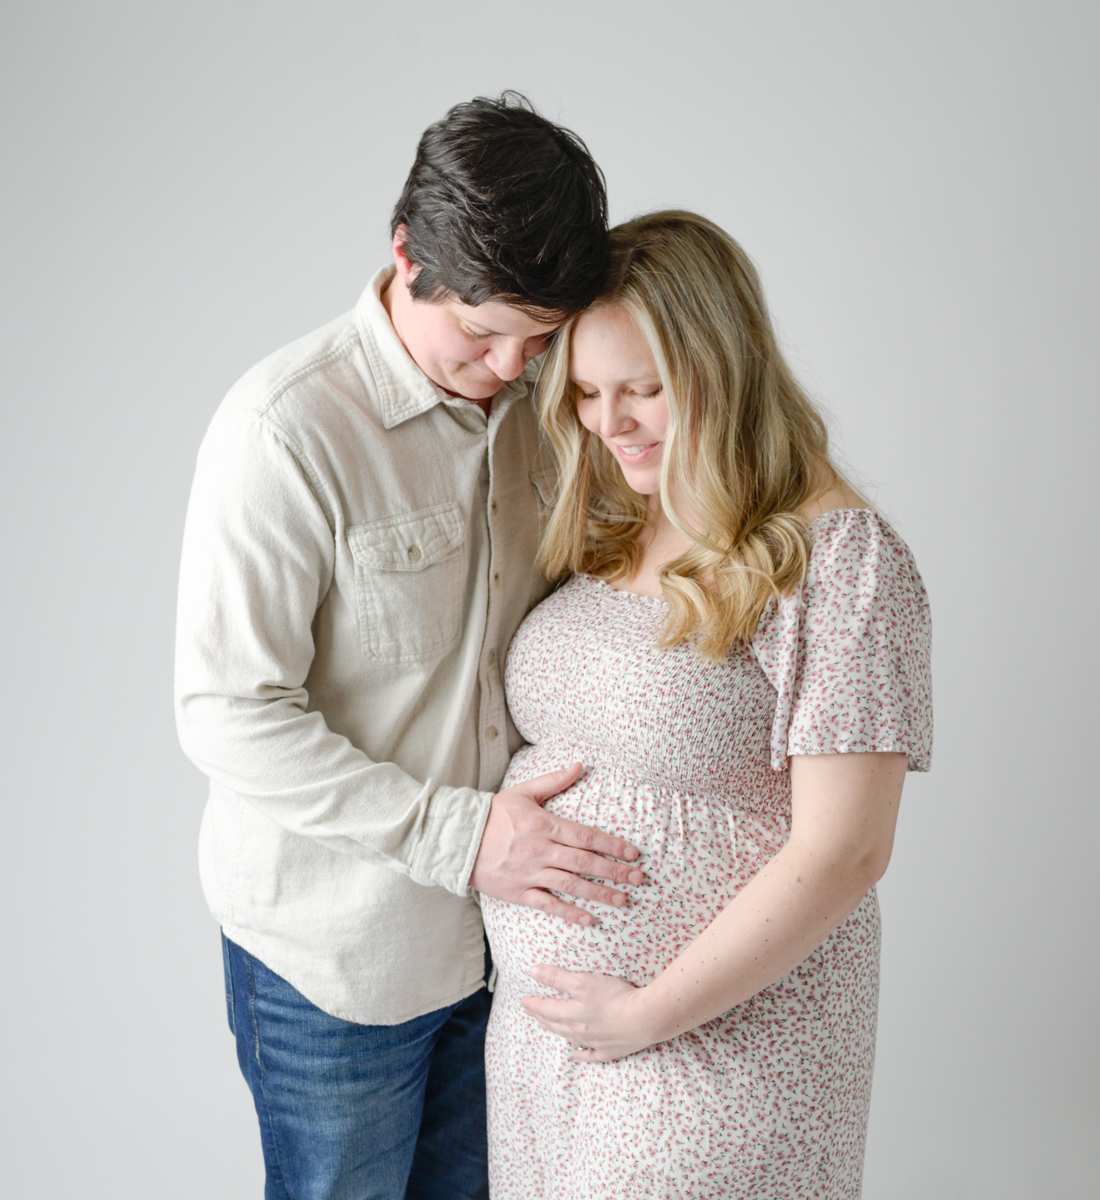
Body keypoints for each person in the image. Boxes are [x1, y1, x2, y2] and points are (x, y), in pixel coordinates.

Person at [174, 94, 644, 1200]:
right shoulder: (283, 432)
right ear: (404, 256)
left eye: (537, 338)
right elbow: (226, 714)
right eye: (482, 332)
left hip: (506, 948)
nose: (511, 365)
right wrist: (462, 839)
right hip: (336, 964)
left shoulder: (542, 395)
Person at [480, 210, 933, 1198]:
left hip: (715, 1050)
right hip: (547, 1052)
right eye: (592, 393)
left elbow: (845, 848)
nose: (612, 422)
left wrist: (647, 1013)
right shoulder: (622, 521)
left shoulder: (838, 562)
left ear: (725, 367)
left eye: (644, 389)